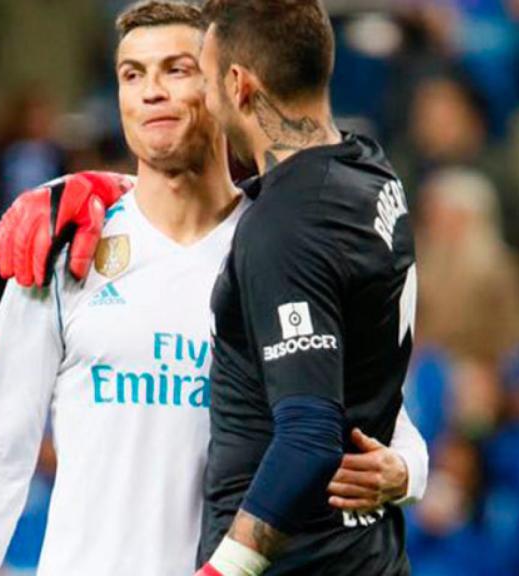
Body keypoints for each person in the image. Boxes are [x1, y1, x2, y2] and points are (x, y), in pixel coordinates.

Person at [0, 2, 426, 575]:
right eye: (132, 74)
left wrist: (407, 473)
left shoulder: (278, 244)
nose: (151, 92)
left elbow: (372, 412)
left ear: (227, 84)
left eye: (176, 69)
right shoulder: (66, 242)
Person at [191, 1, 417, 573]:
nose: (208, 104)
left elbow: (308, 438)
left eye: (208, 80)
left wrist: (225, 569)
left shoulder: (286, 224)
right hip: (371, 553)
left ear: (240, 85)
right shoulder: (369, 171)